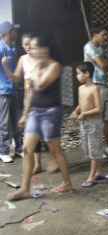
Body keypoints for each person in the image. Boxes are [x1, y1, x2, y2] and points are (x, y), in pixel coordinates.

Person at [7, 34, 73, 201]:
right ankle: (24, 189)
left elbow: (40, 84)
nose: (32, 50)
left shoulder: (54, 66)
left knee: (54, 150)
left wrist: (34, 68)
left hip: (51, 112)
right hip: (36, 112)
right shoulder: (35, 64)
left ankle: (67, 183)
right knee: (27, 149)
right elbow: (30, 92)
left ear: (45, 49)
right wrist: (25, 114)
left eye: (36, 47)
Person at [2, 33, 59, 174]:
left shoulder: (44, 59)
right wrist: (6, 66)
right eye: (25, 44)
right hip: (29, 100)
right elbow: (15, 79)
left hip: (46, 102)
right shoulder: (23, 59)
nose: (28, 47)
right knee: (33, 137)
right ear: (22, 46)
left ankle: (56, 161)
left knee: (50, 137)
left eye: (31, 45)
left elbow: (43, 83)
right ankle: (37, 164)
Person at [84, 25, 108, 160]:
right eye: (103, 35)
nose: (106, 38)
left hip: (104, 85)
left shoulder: (101, 48)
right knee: (97, 120)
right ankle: (96, 148)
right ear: (95, 34)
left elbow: (107, 64)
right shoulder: (89, 47)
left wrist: (107, 62)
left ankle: (106, 145)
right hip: (95, 85)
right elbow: (104, 65)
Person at [71, 62, 106, 187]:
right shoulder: (80, 88)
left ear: (87, 74)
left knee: (93, 150)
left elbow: (99, 108)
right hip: (84, 122)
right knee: (87, 148)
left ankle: (92, 177)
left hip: (94, 123)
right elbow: (82, 103)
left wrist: (85, 114)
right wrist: (76, 111)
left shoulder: (94, 88)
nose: (77, 76)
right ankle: (99, 172)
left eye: (79, 73)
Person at [0, 21, 22, 163]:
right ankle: (3, 151)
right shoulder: (1, 48)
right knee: (4, 122)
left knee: (16, 120)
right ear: (8, 33)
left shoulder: (13, 48)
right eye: (14, 31)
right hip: (3, 91)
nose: (16, 33)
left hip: (13, 89)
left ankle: (19, 148)